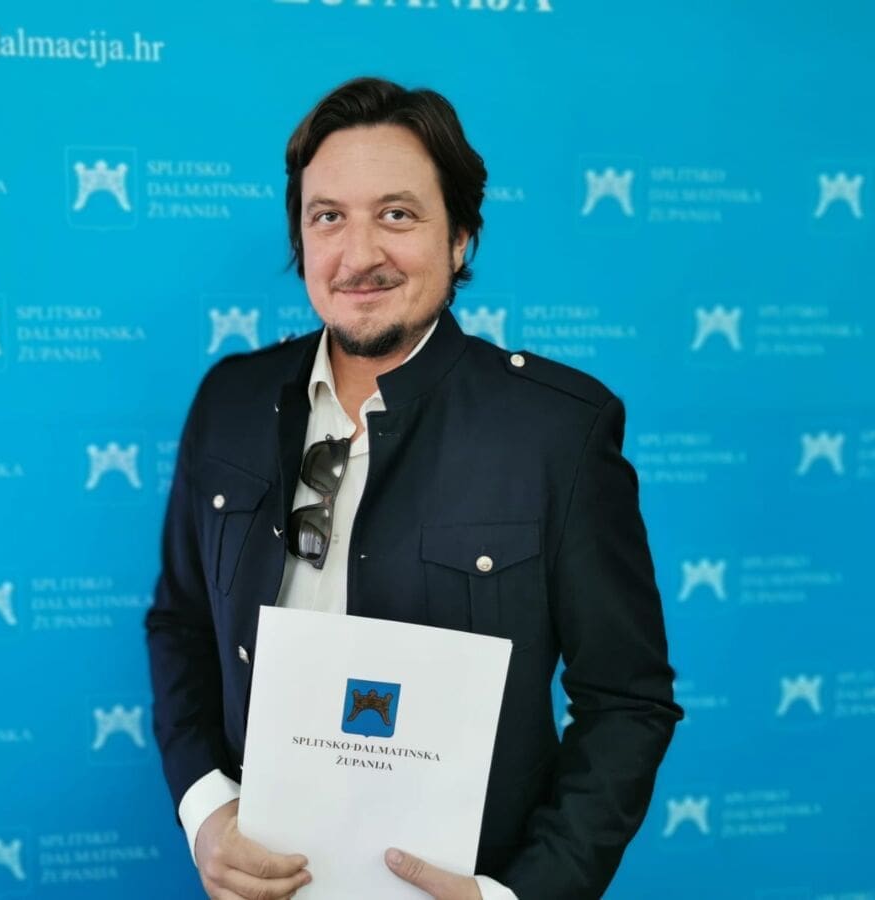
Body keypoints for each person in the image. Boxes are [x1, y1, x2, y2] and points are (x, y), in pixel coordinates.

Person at [145, 76, 682, 900]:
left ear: (460, 238)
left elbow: (627, 701)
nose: (359, 255)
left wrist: (518, 895)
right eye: (328, 217)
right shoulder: (231, 401)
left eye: (396, 215)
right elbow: (180, 625)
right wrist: (206, 809)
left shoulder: (557, 432)